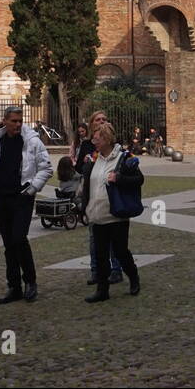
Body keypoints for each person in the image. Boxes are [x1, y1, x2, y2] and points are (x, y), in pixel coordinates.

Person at [0, 106, 52, 304]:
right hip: (1, 197)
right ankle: (14, 286)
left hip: (22, 197)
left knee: (19, 239)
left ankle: (30, 281)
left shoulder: (32, 142)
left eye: (20, 121)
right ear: (5, 121)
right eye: (13, 121)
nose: (17, 125)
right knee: (8, 244)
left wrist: (31, 189)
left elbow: (46, 168)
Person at [79, 121, 143, 302]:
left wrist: (119, 178)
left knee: (121, 252)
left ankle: (133, 277)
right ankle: (102, 290)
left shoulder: (123, 157)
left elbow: (139, 179)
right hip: (97, 214)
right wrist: (84, 207)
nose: (93, 141)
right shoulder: (94, 157)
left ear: (106, 139)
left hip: (116, 214)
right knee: (100, 255)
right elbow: (87, 182)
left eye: (97, 138)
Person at [77, 112, 121, 284]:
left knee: (113, 238)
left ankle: (116, 269)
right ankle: (96, 270)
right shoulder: (87, 145)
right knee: (94, 237)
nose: (101, 121)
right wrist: (88, 162)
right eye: (98, 119)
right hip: (93, 196)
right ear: (91, 123)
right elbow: (80, 168)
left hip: (110, 196)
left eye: (104, 119)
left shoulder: (115, 146)